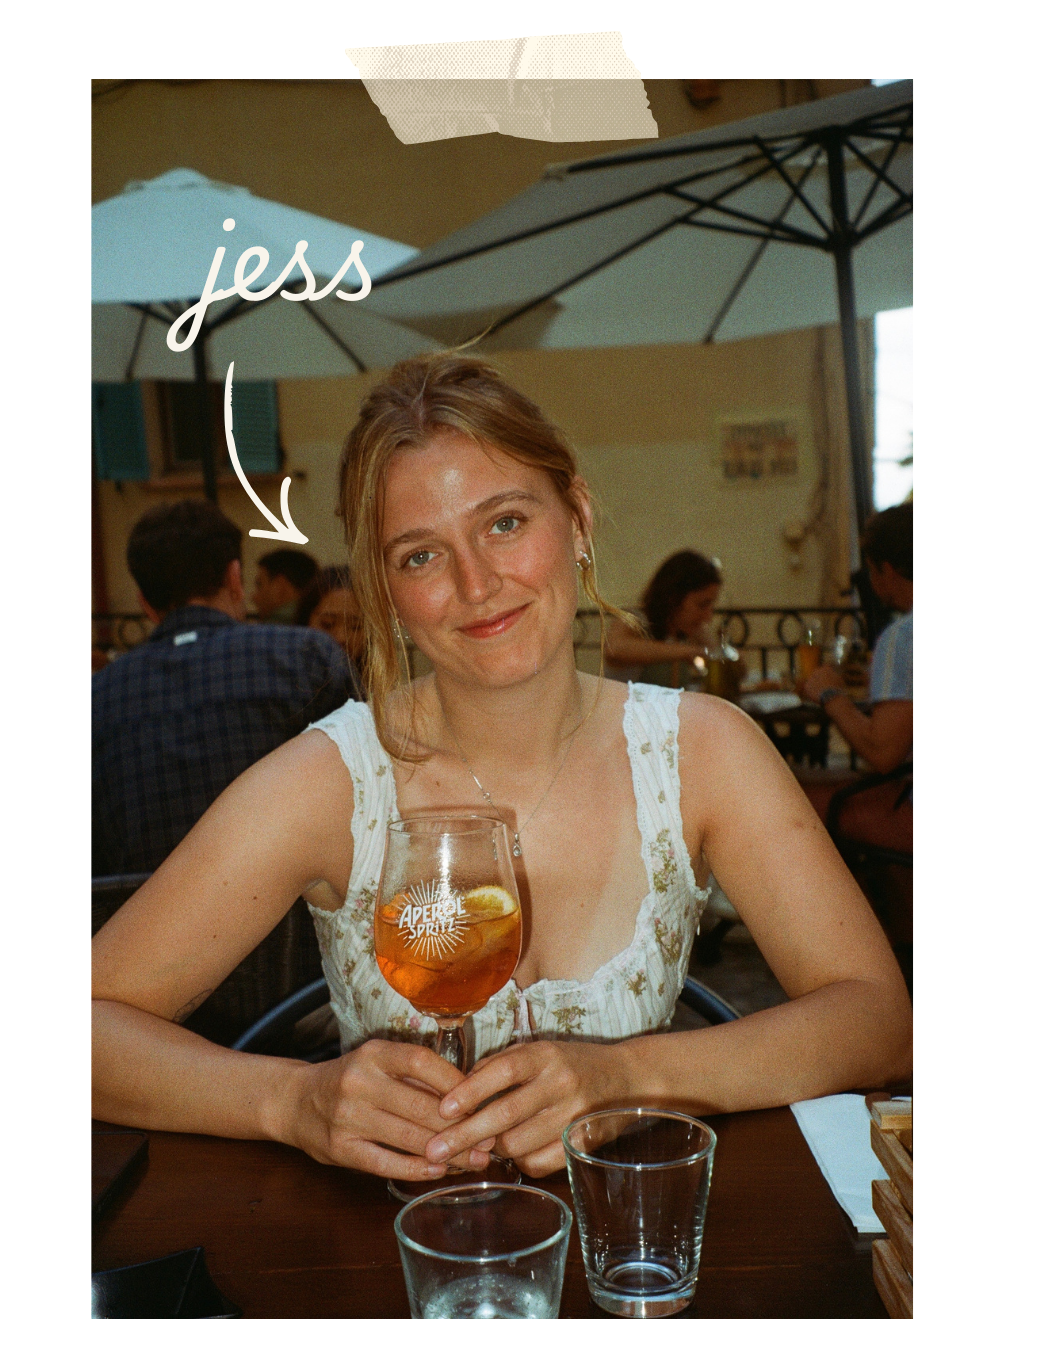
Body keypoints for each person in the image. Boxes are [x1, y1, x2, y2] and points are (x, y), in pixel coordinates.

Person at [92, 356, 912, 1186]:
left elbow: (880, 1019)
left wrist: (633, 1078)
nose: (477, 583)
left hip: (628, 1238)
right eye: (420, 556)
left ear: (577, 518)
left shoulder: (703, 752)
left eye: (506, 522)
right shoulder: (330, 782)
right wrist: (290, 1102)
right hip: (404, 1243)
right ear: (384, 589)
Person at [91, 500, 355, 1044]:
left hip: (143, 1019)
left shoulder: (99, 697)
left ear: (144, 601)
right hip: (301, 999)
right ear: (235, 577)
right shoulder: (307, 657)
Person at [801, 503, 914, 778]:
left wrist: (830, 694)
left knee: (798, 784)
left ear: (887, 570)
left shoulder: (903, 637)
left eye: (871, 570)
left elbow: (883, 754)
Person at [604, 550, 722, 686]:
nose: (708, 617)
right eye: (702, 605)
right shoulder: (634, 620)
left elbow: (717, 657)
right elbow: (614, 649)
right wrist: (687, 651)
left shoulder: (687, 631)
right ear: (674, 598)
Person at [295, 564, 366, 682]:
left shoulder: (384, 686)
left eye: (356, 627)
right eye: (327, 624)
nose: (341, 638)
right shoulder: (287, 681)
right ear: (305, 621)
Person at [252, 548, 319, 623]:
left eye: (259, 585)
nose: (253, 598)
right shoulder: (316, 620)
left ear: (280, 587)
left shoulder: (276, 623)